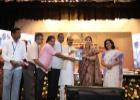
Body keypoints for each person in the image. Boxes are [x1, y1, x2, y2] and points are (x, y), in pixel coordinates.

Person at [39, 35, 75, 100]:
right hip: (53, 68)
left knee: (54, 86)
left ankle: (52, 98)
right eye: (61, 37)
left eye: (63, 37)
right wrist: (69, 57)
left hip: (57, 68)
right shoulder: (53, 45)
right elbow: (58, 55)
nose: (62, 38)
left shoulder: (60, 45)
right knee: (52, 86)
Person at [2, 28, 27, 100]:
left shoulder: (22, 43)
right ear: (12, 34)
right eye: (18, 33)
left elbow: (24, 55)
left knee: (16, 86)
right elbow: (4, 55)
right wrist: (10, 60)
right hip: (8, 66)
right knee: (6, 86)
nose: (20, 35)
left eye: (20, 33)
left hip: (18, 67)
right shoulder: (6, 43)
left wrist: (23, 62)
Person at [23, 33, 46, 100]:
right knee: (30, 86)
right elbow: (35, 60)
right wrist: (44, 67)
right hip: (29, 66)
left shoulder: (35, 45)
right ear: (38, 39)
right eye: (42, 39)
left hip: (30, 66)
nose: (42, 41)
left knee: (29, 86)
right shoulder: (34, 46)